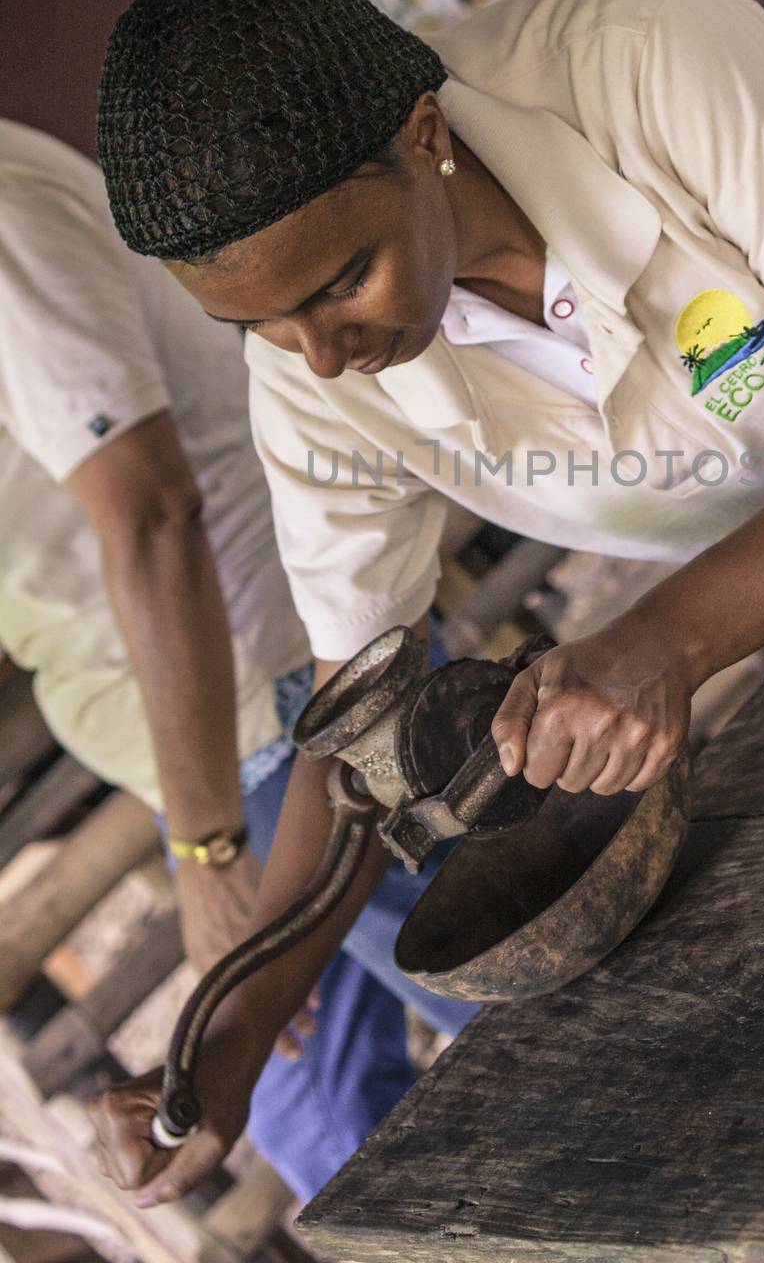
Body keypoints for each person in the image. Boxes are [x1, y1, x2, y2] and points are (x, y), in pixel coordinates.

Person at [89, 0, 764, 1203]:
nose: (318, 356)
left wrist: (662, 640)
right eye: (261, 324)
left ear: (425, 131)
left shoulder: (642, 58)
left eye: (339, 284)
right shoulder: (315, 371)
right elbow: (358, 713)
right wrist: (228, 1035)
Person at [0, 118, 473, 1201]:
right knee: (333, 1139)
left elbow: (155, 513)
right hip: (231, 737)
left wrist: (205, 848)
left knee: (503, 1004)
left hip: (278, 702)